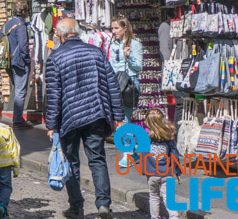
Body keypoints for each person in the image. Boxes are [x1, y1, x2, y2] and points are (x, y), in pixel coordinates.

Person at [45, 18, 124, 219]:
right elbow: (112, 85)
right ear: (77, 33)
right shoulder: (96, 52)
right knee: (97, 159)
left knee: (71, 162)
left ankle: (76, 206)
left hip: (69, 118)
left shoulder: (55, 58)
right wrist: (118, 116)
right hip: (95, 114)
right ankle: (103, 205)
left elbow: (54, 95)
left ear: (60, 35)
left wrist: (51, 125)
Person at [108, 15, 142, 168]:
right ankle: (132, 150)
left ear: (125, 28)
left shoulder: (134, 44)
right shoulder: (112, 44)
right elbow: (111, 65)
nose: (113, 31)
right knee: (117, 118)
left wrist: (128, 57)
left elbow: (139, 67)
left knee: (124, 118)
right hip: (115, 83)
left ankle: (127, 153)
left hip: (129, 83)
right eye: (112, 28)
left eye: (116, 28)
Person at [142, 109, 181, 219]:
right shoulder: (169, 138)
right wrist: (177, 172)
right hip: (167, 173)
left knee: (153, 197)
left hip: (152, 174)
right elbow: (175, 156)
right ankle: (174, 217)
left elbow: (143, 156)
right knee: (169, 198)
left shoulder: (145, 139)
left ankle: (155, 217)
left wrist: (144, 170)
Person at [2, 0, 33, 129]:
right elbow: (23, 46)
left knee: (17, 89)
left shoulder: (7, 24)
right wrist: (27, 61)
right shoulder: (20, 25)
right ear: (23, 11)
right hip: (19, 62)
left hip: (8, 61)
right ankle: (18, 120)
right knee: (20, 91)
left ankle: (18, 119)